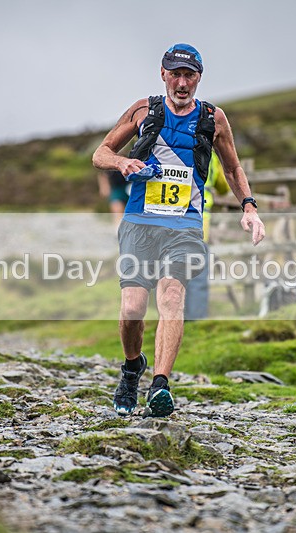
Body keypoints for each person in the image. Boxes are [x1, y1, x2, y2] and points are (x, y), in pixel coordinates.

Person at [92, 43, 265, 417]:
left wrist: (249, 208)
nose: (182, 83)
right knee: (132, 309)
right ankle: (131, 367)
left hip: (185, 224)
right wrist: (123, 163)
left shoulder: (213, 118)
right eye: (176, 74)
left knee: (171, 298)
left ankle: (159, 385)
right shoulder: (144, 110)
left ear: (199, 78)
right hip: (140, 221)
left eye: (190, 75)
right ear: (163, 74)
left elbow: (233, 169)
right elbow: (100, 153)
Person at [184, 150, 229, 320]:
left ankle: (176, 319)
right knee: (197, 276)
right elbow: (223, 186)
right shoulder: (212, 153)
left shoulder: (177, 145)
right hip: (201, 222)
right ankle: (195, 319)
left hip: (173, 221)